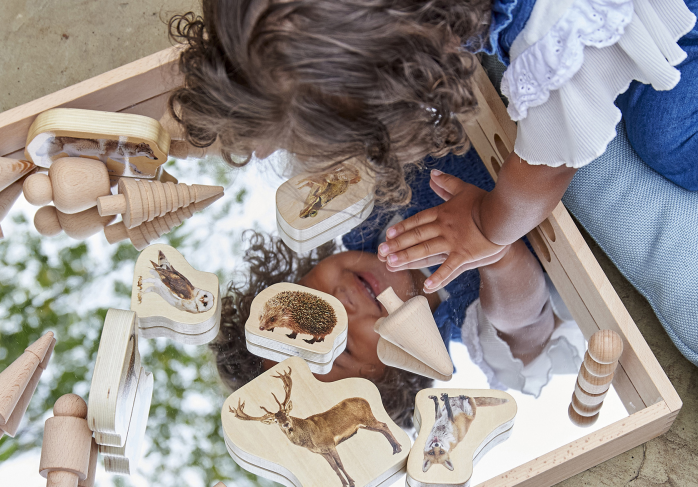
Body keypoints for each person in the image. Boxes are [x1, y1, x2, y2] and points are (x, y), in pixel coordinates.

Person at [169, 0, 698, 346]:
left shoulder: (551, 39)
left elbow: (548, 167)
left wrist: (486, 228)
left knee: (665, 136)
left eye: (318, 315)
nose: (344, 312)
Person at [211, 157, 583, 426]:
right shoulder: (470, 319)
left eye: (309, 304)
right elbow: (525, 322)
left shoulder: (365, 205)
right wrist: (495, 249)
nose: (340, 304)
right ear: (390, 377)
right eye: (340, 348)